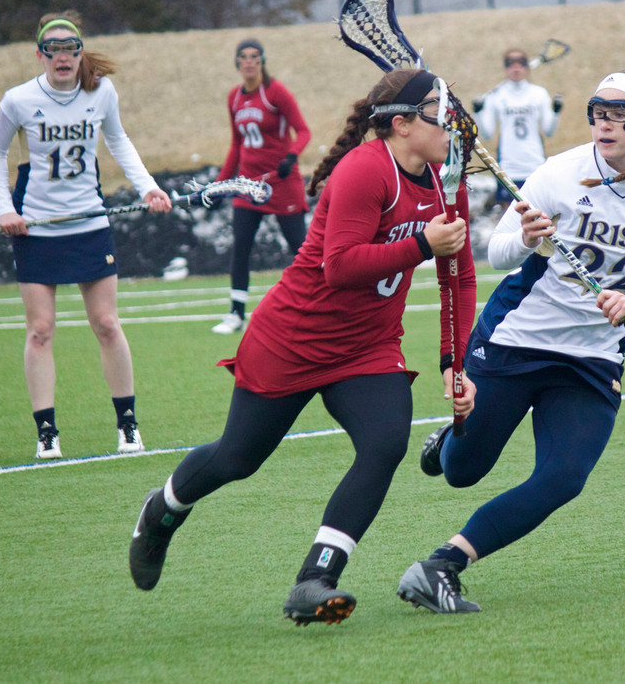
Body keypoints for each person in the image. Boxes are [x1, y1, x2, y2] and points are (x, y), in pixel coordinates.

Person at [129, 69, 476, 627]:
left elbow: (459, 277)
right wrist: (420, 244)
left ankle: (316, 579)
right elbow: (340, 267)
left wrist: (453, 362)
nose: (451, 122)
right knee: (238, 458)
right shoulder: (364, 170)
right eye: (439, 109)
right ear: (403, 124)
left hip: (367, 347)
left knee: (385, 442)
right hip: (294, 338)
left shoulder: (446, 180)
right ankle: (163, 509)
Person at [397, 70, 625, 613]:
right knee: (463, 471)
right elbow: (495, 253)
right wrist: (524, 239)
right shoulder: (559, 172)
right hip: (517, 338)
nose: (605, 124)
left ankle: (442, 564)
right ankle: (448, 444)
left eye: (620, 115)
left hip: (591, 358)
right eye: (598, 113)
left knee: (565, 477)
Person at [0, 10, 173, 460]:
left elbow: (118, 140)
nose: (62, 57)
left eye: (70, 49)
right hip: (37, 227)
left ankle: (127, 424)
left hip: (89, 223)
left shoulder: (101, 92)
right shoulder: (19, 99)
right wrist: (6, 208)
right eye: (53, 50)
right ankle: (46, 431)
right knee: (40, 330)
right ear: (40, 54)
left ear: (80, 53)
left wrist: (148, 187)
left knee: (106, 324)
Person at [210, 39, 312, 334]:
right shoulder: (234, 98)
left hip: (281, 182)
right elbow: (236, 145)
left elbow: (303, 131)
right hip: (248, 185)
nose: (249, 62)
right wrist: (219, 186)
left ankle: (315, 308)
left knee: (301, 250)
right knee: (241, 246)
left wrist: (291, 156)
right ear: (237, 62)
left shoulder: (275, 92)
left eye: (254, 57)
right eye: (243, 57)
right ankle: (236, 314)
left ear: (262, 61)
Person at [472, 47, 562, 210]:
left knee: (539, 213)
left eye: (521, 63)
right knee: (509, 215)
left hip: (535, 165)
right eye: (510, 63)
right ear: (504, 68)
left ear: (527, 67)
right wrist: (478, 112)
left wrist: (556, 112)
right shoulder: (495, 96)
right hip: (508, 168)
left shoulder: (539, 93)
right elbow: (487, 133)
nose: (516, 68)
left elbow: (549, 131)